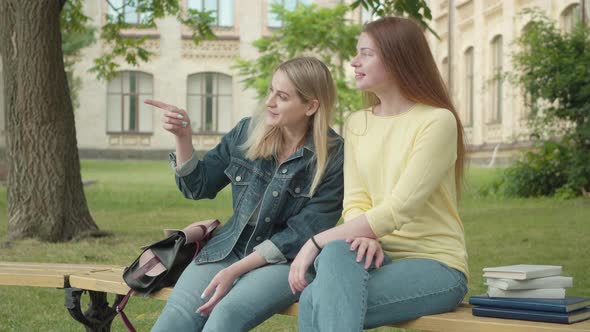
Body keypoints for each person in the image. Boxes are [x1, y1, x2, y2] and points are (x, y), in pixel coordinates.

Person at [289, 17, 469, 331]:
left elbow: (402, 207)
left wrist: (314, 242)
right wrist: (364, 236)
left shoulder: (437, 121)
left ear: (398, 58)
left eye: (366, 53)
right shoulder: (358, 123)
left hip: (435, 264)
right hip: (373, 256)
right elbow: (356, 199)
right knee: (335, 254)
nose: (354, 62)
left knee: (315, 297)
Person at [147, 57, 344, 331]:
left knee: (223, 318)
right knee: (175, 319)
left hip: (286, 261)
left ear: (311, 106)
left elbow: (302, 233)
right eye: (271, 91)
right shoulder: (246, 131)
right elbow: (198, 186)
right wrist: (183, 136)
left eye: (282, 96)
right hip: (229, 247)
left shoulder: (333, 156)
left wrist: (236, 270)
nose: (269, 102)